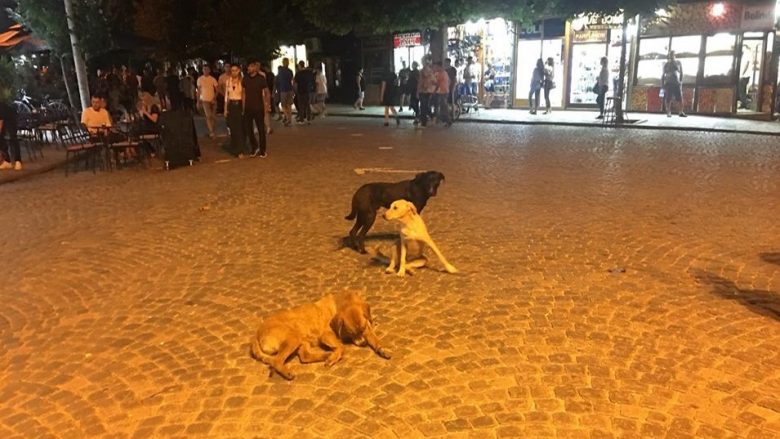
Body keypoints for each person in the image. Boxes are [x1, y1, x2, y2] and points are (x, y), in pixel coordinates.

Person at [243, 62, 270, 158]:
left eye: (250, 66)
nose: (249, 68)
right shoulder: (245, 78)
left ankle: (263, 150)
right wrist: (243, 106)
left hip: (258, 107)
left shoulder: (261, 78)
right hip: (248, 108)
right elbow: (243, 93)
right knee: (249, 129)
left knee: (261, 129)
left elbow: (267, 92)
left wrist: (267, 104)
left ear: (255, 67)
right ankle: (254, 147)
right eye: (248, 66)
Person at [224, 64, 246, 157]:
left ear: (239, 70)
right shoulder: (228, 81)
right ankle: (234, 148)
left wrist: (243, 109)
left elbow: (244, 95)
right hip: (231, 105)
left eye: (235, 70)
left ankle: (240, 150)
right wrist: (225, 109)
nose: (234, 72)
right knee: (232, 128)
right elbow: (226, 96)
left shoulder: (242, 81)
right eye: (232, 70)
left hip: (239, 105)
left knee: (239, 128)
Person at [662, 51, 687, 118]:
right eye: (670, 55)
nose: (671, 56)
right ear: (669, 56)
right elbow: (663, 74)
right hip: (668, 83)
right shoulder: (666, 64)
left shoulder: (678, 63)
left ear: (674, 55)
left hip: (677, 83)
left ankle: (681, 112)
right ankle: (668, 112)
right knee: (668, 98)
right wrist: (663, 84)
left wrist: (680, 81)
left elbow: (681, 72)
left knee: (680, 98)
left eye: (672, 55)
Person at [197, 65, 219, 139]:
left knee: (213, 116)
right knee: (208, 116)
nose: (205, 71)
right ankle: (212, 132)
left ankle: (211, 131)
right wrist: (198, 101)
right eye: (204, 69)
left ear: (209, 70)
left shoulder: (212, 79)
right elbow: (199, 91)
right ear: (202, 70)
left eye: (207, 69)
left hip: (212, 100)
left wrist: (214, 98)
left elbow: (217, 90)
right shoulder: (200, 79)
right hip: (204, 100)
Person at [0, 99, 22, 171]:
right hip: (4, 119)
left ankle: (18, 161)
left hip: (11, 118)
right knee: (1, 138)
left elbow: (1, 121)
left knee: (13, 137)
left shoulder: (1, 107)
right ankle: (7, 161)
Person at [418, 56, 436, 127]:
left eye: (423, 61)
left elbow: (433, 81)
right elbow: (420, 81)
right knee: (424, 106)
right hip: (425, 90)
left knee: (424, 107)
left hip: (426, 91)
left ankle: (424, 122)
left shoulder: (427, 71)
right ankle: (428, 119)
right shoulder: (426, 71)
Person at [276, 58, 294, 126]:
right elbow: (291, 80)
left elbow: (279, 80)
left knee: (283, 105)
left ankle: (287, 117)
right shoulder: (290, 71)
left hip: (283, 89)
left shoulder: (281, 71)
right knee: (289, 105)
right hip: (289, 89)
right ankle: (290, 119)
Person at [433, 61, 451, 127]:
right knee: (443, 106)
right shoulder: (445, 73)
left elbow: (437, 83)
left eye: (436, 67)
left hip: (442, 92)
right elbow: (449, 81)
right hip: (445, 91)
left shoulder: (441, 74)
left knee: (443, 107)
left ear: (439, 67)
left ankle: (447, 120)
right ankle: (445, 120)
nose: (436, 68)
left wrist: (435, 90)